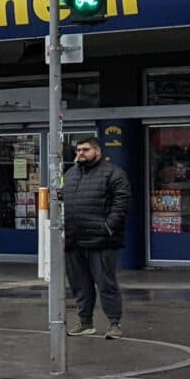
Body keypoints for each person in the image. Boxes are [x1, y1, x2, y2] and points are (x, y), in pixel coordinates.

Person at [62, 134, 132, 340]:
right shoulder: (71, 174)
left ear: (97, 151)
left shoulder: (113, 174)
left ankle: (114, 323)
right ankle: (85, 322)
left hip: (102, 241)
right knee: (80, 285)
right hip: (74, 240)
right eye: (78, 150)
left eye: (85, 150)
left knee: (106, 284)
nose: (80, 154)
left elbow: (122, 203)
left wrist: (108, 227)